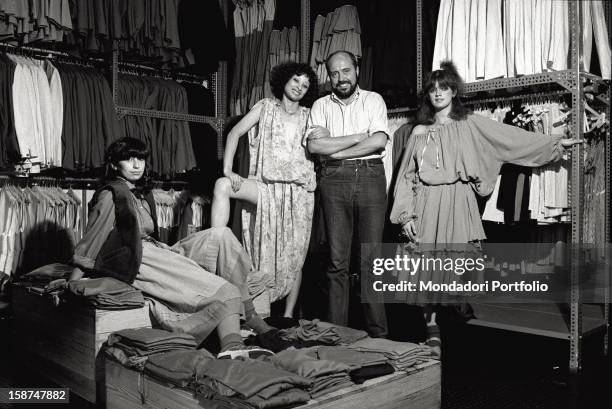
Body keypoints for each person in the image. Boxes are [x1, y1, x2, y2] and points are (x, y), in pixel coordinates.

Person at [390, 61, 582, 356]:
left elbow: (509, 139)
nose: (438, 93)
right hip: (425, 203)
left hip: (458, 200)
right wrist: (405, 216)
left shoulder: (470, 123)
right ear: (427, 95)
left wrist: (553, 144)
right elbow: (405, 177)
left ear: (454, 91)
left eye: (444, 88)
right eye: (433, 89)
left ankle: (455, 312)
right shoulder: (417, 132)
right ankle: (432, 331)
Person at [70, 137, 274, 359]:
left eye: (140, 159)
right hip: (140, 259)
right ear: (113, 164)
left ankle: (251, 316)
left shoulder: (142, 194)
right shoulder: (112, 195)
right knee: (225, 291)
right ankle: (232, 346)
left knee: (221, 235)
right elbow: (92, 241)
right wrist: (73, 279)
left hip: (159, 250)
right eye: (129, 160)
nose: (137, 165)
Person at [211, 62, 318, 318]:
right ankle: (215, 245)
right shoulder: (265, 107)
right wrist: (228, 169)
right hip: (266, 187)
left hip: (299, 193)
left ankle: (289, 316)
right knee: (222, 185)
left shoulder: (311, 115)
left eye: (305, 85)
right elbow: (234, 133)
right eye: (295, 81)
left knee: (295, 253)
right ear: (283, 80)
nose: (299, 88)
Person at [306, 50, 389, 338]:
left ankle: (379, 335)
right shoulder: (319, 105)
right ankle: (336, 334)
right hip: (333, 180)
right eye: (334, 73)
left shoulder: (373, 99)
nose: (341, 78)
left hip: (370, 176)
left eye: (346, 71)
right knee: (336, 261)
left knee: (372, 260)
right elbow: (316, 147)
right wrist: (357, 137)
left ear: (356, 70)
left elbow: (378, 141)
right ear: (328, 76)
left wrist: (336, 150)